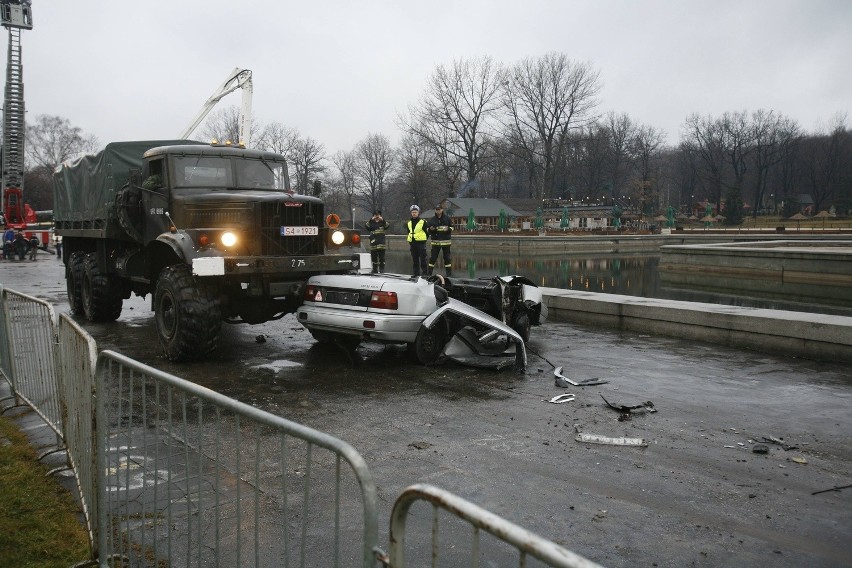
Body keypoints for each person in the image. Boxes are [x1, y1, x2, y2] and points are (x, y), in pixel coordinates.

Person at [427, 203, 453, 276]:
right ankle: (429, 275)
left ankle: (449, 275)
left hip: (446, 243)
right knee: (432, 259)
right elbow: (428, 229)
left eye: (439, 209)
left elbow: (452, 227)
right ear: (435, 210)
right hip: (436, 243)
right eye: (436, 210)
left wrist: (448, 229)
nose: (438, 211)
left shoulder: (447, 218)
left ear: (442, 210)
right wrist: (431, 229)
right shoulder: (432, 219)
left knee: (447, 259)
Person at [406, 205, 429, 278]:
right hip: (413, 243)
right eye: (413, 212)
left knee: (423, 259)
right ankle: (416, 274)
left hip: (421, 243)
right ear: (411, 213)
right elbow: (409, 232)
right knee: (415, 259)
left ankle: (425, 273)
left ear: (418, 213)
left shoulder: (423, 222)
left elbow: (427, 232)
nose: (414, 213)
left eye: (415, 212)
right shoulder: (409, 222)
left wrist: (424, 240)